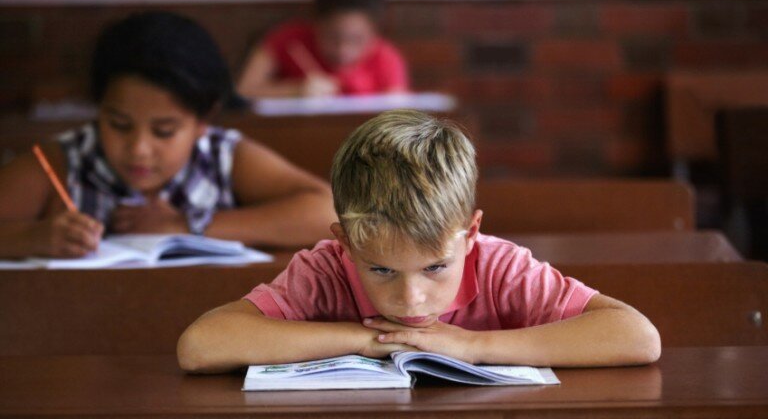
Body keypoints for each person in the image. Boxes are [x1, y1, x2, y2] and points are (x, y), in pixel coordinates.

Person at [177, 109, 661, 373]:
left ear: (469, 234)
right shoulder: (325, 269)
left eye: (435, 268)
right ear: (344, 242)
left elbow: (637, 336)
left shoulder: (500, 266)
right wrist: (370, 341)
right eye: (381, 270)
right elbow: (200, 346)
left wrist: (473, 347)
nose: (410, 300)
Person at [0, 11, 336, 259]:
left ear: (203, 120)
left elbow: (328, 212)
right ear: (99, 107)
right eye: (118, 124)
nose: (139, 149)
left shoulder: (222, 156)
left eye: (164, 131)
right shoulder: (62, 159)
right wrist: (30, 237)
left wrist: (186, 225)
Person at [237, 0, 409, 98]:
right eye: (332, 37)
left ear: (375, 33)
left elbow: (398, 108)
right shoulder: (287, 41)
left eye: (357, 39)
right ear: (316, 23)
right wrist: (295, 91)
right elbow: (242, 91)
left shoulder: (386, 56)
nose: (343, 50)